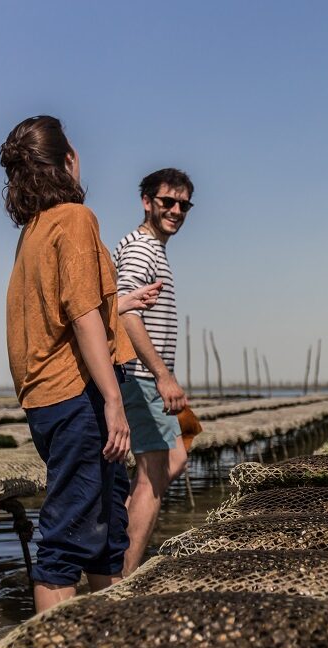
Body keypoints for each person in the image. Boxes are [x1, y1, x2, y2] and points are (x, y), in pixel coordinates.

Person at [1, 115, 158, 612]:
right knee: (66, 540)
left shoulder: (35, 229)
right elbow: (83, 314)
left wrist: (122, 303)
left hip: (50, 401)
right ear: (68, 159)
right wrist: (113, 398)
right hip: (77, 399)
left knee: (108, 532)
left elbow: (69, 308)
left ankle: (103, 639)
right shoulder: (73, 218)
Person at [112, 168, 194, 575]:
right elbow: (125, 315)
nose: (176, 211)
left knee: (180, 451)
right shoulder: (142, 249)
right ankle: (121, 579)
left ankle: (117, 544)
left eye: (183, 204)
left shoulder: (153, 249)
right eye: (167, 202)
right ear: (147, 202)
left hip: (150, 379)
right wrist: (163, 375)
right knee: (152, 478)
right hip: (141, 378)